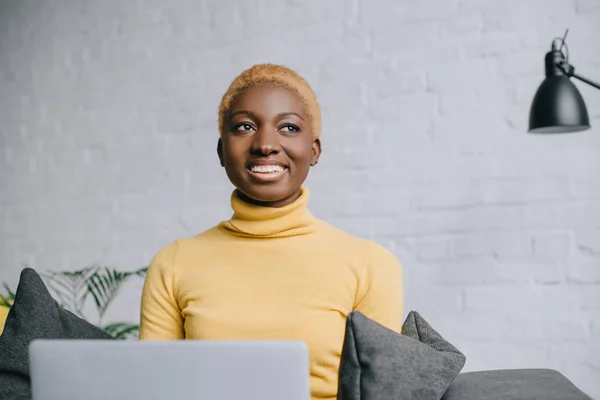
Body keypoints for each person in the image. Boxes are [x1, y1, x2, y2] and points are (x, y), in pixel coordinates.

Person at [139, 63, 404, 400]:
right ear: (222, 151)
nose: (265, 144)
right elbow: (153, 389)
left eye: (289, 127)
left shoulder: (370, 265)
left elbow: (381, 393)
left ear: (314, 150)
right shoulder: (173, 263)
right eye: (245, 126)